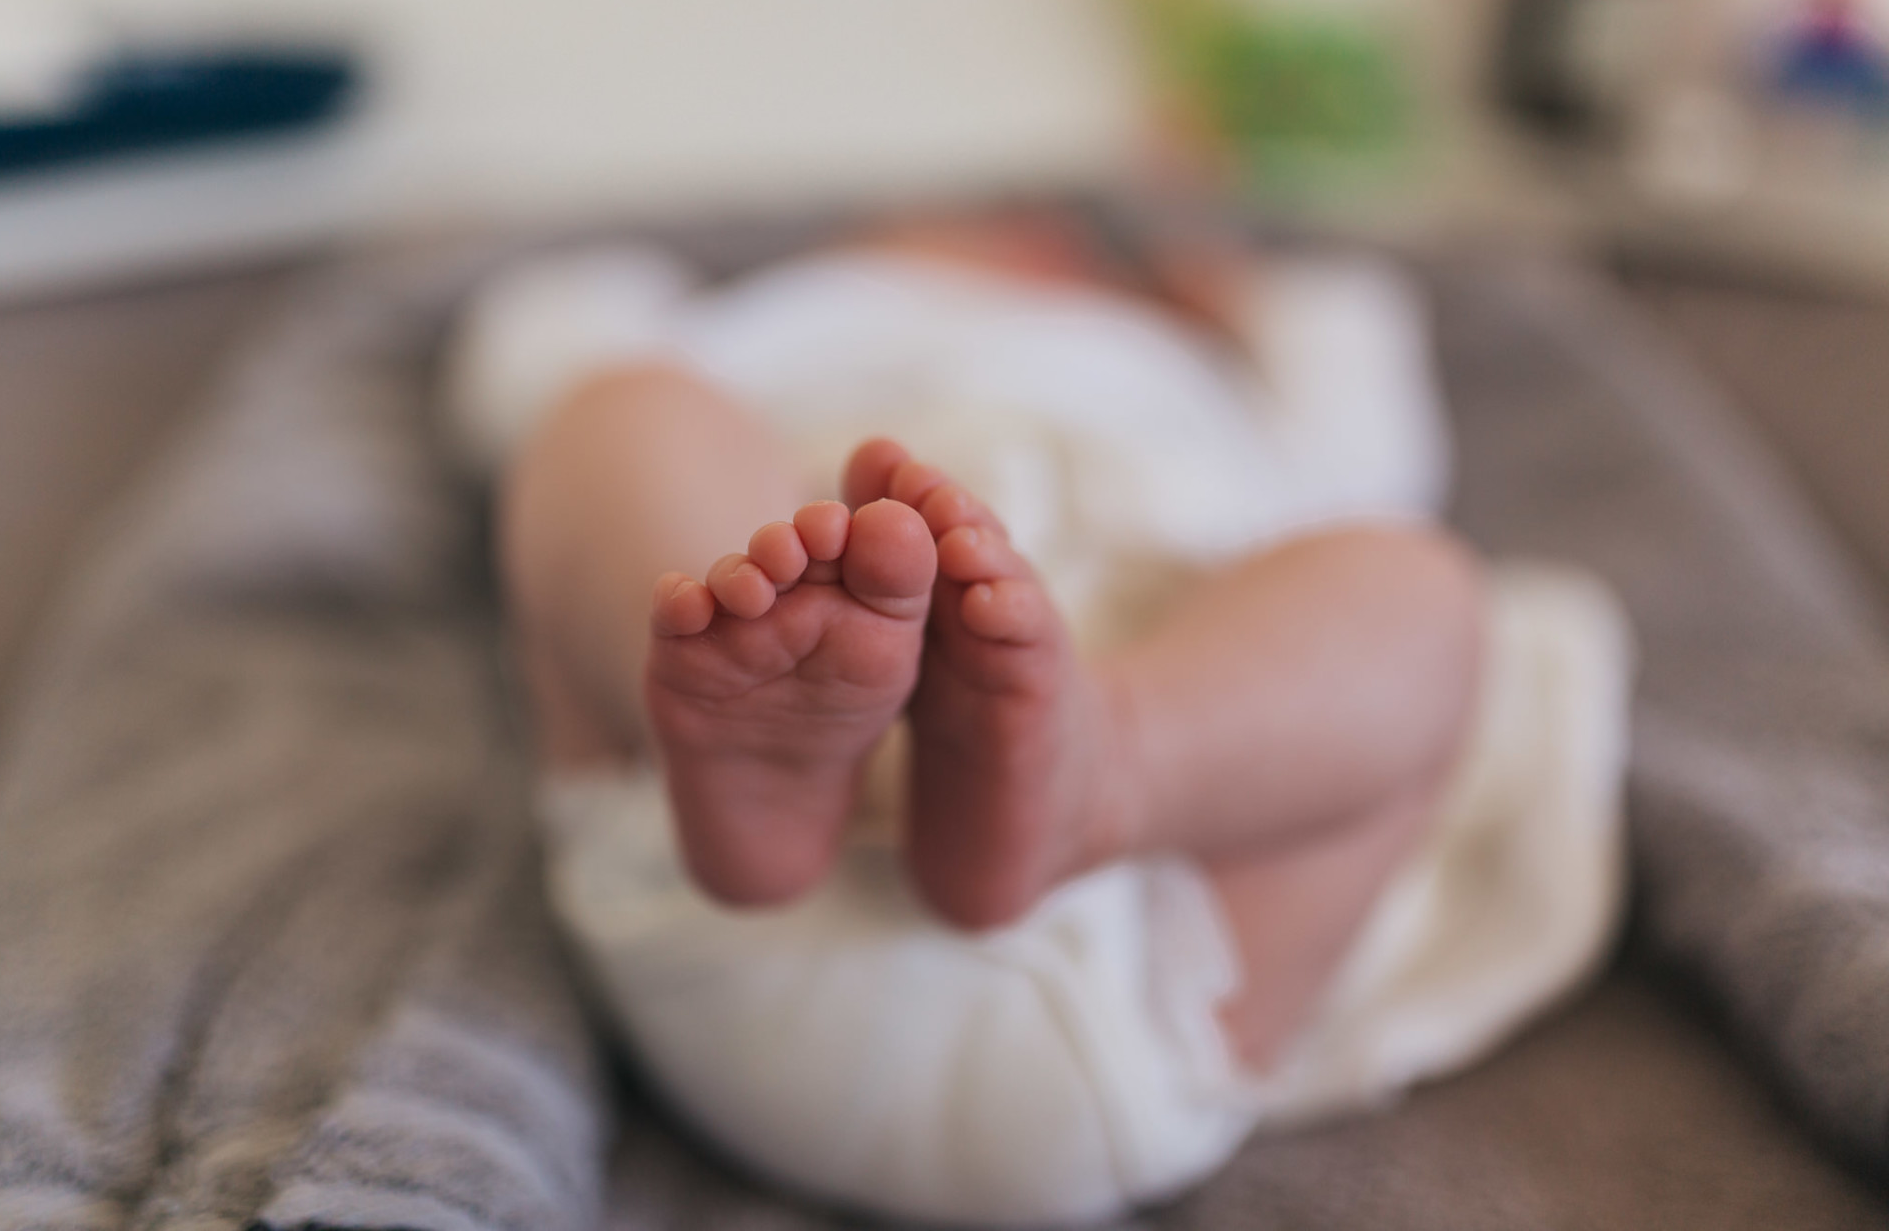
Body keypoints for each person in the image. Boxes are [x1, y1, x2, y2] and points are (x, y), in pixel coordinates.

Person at [449, 208, 1632, 1226]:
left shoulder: (1179, 369)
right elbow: (528, 351)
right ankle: (827, 761)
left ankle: (1104, 763)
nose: (1010, 232)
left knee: (1412, 586)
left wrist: (1235, 300)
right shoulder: (778, 324)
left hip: (1109, 882)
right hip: (1007, 933)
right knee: (619, 417)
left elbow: (1374, 433)